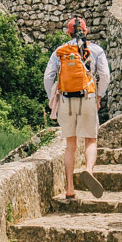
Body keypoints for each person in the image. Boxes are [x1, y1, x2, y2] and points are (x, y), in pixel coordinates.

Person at [44, 18, 111, 199]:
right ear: (85, 31)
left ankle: (70, 188)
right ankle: (88, 170)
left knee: (70, 145)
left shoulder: (60, 51)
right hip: (87, 96)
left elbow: (48, 77)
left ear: (68, 33)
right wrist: (98, 96)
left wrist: (54, 98)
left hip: (66, 100)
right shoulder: (95, 49)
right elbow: (105, 75)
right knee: (90, 139)